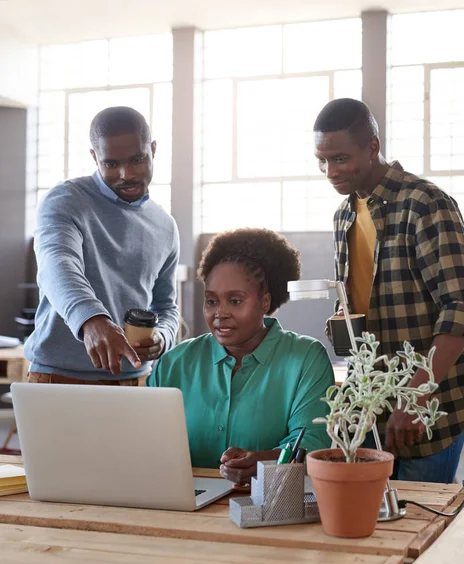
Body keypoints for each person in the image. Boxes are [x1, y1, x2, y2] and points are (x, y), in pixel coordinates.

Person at [314, 97, 464, 483]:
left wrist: (413, 397)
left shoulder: (425, 203)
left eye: (340, 159)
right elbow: (355, 302)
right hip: (374, 410)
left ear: (372, 147)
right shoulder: (344, 214)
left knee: (420, 529)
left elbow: (458, 308)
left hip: (428, 408)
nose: (330, 171)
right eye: (322, 160)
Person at [146, 228, 334, 485]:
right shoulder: (174, 363)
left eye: (235, 301)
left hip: (269, 503)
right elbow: (145, 440)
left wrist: (263, 462)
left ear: (265, 302)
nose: (220, 313)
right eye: (211, 301)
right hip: (183, 500)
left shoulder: (305, 359)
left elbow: (313, 442)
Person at [25, 106, 179, 385]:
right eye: (111, 164)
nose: (126, 174)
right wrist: (92, 320)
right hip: (58, 379)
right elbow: (57, 264)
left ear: (153, 149)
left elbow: (166, 307)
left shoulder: (165, 226)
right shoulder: (66, 200)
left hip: (134, 380)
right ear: (95, 157)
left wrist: (162, 338)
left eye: (137, 159)